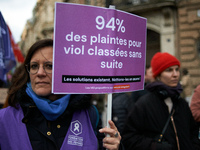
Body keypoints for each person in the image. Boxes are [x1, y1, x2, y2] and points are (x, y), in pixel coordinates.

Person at [0, 39, 123, 150]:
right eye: (34, 66)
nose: (40, 73)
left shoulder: (90, 115)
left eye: (49, 66)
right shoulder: (4, 118)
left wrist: (115, 147)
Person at [122, 52, 200, 150]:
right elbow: (129, 138)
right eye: (169, 70)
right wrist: (155, 146)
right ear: (158, 75)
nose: (175, 74)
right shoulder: (144, 105)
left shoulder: (182, 103)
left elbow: (193, 132)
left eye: (177, 69)